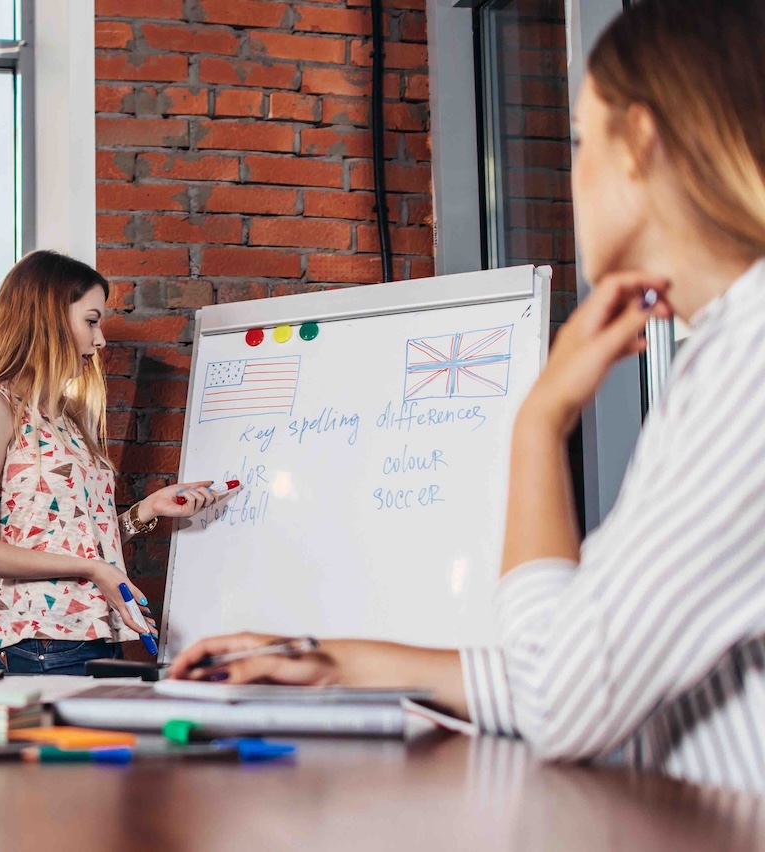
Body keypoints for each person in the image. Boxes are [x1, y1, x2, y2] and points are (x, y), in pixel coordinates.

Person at [171, 0, 765, 793]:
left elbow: (560, 697)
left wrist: (537, 423)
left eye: (584, 138)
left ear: (642, 143)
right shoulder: (727, 353)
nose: (573, 169)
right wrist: (332, 662)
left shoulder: (748, 370)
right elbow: (583, 665)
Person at [0, 250, 220, 675]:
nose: (100, 340)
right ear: (48, 318)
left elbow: (77, 538)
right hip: (44, 644)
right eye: (91, 321)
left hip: (99, 637)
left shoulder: (69, 417)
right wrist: (92, 569)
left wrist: (146, 511)